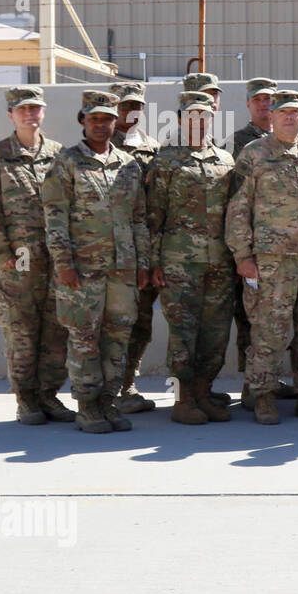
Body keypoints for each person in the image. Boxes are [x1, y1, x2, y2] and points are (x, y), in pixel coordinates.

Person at [41, 91, 151, 434]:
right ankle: (87, 406)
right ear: (83, 122)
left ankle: (108, 402)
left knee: (118, 335)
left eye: (106, 119)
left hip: (123, 268)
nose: (101, 125)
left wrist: (142, 262)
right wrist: (64, 263)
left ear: (115, 122)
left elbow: (138, 218)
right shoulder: (67, 162)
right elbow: (55, 217)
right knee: (85, 336)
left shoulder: (128, 164)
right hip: (82, 267)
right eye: (94, 119)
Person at [226, 89, 298, 425]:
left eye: (295, 112)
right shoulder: (254, 154)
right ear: (271, 117)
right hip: (271, 258)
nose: (290, 118)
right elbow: (237, 209)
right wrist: (243, 255)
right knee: (269, 328)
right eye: (283, 112)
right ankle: (262, 395)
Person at [0, 86, 72, 425]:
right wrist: (2, 254)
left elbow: (71, 206)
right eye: (22, 109)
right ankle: (26, 399)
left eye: (35, 108)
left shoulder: (59, 155)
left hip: (55, 260)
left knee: (56, 329)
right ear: (11, 115)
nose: (30, 114)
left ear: (43, 112)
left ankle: (49, 395)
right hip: (17, 262)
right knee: (22, 330)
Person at [145, 91, 236, 424]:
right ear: (181, 120)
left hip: (219, 263)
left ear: (212, 119)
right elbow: (154, 215)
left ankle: (203, 393)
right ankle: (182, 400)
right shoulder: (166, 162)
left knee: (215, 333)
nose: (199, 121)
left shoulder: (226, 161)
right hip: (178, 263)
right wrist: (154, 262)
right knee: (184, 333)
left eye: (205, 116)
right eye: (191, 116)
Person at [108, 81, 163, 415]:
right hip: (109, 251)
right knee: (111, 323)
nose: (132, 112)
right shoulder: (98, 146)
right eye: (125, 105)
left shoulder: (153, 148)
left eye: (137, 106)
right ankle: (105, 389)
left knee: (141, 322)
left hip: (144, 250)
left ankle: (127, 385)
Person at [232, 77, 276, 156]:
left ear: (276, 102)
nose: (262, 103)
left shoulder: (285, 137)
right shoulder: (235, 141)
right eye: (256, 99)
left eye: (267, 98)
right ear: (248, 103)